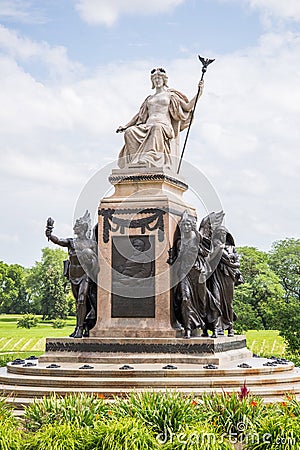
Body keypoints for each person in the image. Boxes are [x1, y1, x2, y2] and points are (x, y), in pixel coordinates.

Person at [116, 68, 204, 169]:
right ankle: (135, 160)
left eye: (159, 78)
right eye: (154, 79)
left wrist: (199, 93)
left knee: (156, 127)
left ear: (164, 80)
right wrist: (126, 126)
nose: (157, 80)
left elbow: (187, 107)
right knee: (130, 132)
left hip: (163, 126)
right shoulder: (149, 98)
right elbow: (139, 115)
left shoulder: (170, 95)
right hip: (147, 126)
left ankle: (151, 157)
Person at [45, 211, 99, 338]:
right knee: (79, 303)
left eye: (77, 225)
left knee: (81, 299)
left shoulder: (92, 244)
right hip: (73, 276)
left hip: (85, 276)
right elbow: (57, 240)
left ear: (84, 228)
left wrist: (91, 258)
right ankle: (80, 326)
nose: (74, 227)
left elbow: (97, 262)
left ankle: (80, 329)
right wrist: (49, 231)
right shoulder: (71, 242)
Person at [207, 227, 243, 337]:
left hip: (228, 278)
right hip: (216, 277)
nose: (222, 235)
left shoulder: (232, 248)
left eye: (224, 233)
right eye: (219, 233)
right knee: (216, 300)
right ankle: (216, 328)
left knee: (228, 303)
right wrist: (219, 249)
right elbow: (209, 259)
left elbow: (238, 264)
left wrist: (230, 264)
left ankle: (230, 327)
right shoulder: (213, 247)